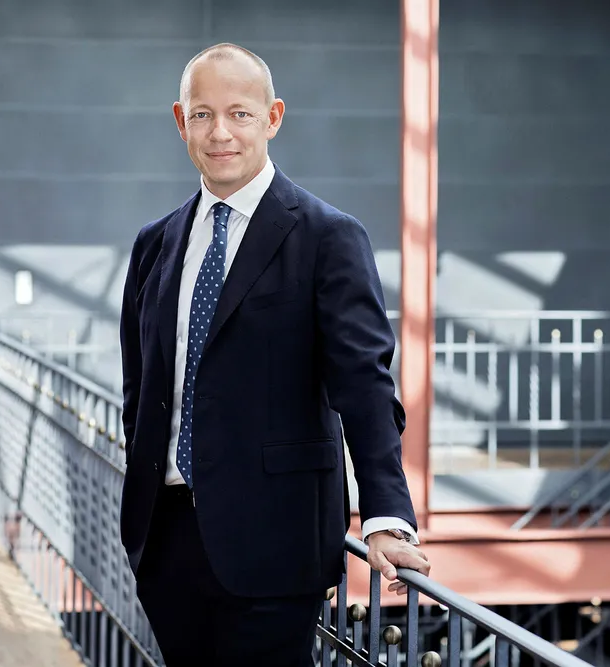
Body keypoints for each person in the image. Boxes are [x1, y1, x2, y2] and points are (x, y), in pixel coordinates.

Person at [118, 42, 431, 667]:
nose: (220, 132)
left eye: (239, 113)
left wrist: (386, 516)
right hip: (167, 541)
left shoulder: (327, 237)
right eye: (202, 114)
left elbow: (364, 386)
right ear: (181, 122)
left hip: (276, 542)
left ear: (273, 117)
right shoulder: (155, 244)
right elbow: (141, 386)